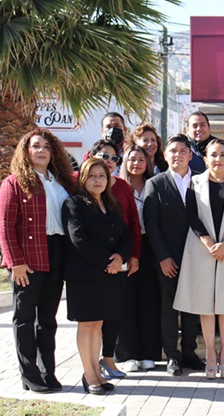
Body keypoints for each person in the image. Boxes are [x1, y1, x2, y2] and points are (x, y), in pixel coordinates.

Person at [0, 129, 76, 393]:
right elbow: (5, 227)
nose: (41, 150)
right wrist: (15, 262)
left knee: (48, 320)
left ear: (53, 152)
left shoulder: (62, 182)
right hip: (28, 258)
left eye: (46, 146)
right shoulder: (14, 182)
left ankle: (48, 372)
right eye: (35, 146)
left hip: (56, 252)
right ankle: (29, 375)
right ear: (26, 151)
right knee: (24, 318)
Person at [173, 139, 224, 379]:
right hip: (201, 249)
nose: (218, 159)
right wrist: (210, 244)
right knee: (205, 304)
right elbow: (192, 216)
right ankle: (209, 352)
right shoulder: (195, 183)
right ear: (205, 159)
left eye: (223, 155)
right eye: (213, 155)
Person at [62, 157, 132, 395]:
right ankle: (89, 374)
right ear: (83, 178)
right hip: (84, 276)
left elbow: (124, 235)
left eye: (102, 176)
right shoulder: (74, 204)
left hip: (109, 275)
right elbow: (78, 239)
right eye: (92, 176)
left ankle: (96, 372)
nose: (98, 180)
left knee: (98, 324)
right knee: (87, 324)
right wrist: (106, 262)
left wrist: (120, 257)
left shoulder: (112, 204)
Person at [143, 133, 205, 376]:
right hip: (168, 259)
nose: (178, 155)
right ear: (165, 155)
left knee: (192, 307)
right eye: (173, 151)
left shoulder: (203, 181)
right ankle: (172, 355)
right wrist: (162, 257)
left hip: (197, 256)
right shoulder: (155, 183)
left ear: (191, 155)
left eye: (183, 151)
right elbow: (151, 223)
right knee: (169, 307)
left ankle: (189, 352)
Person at [86, 139, 142, 379]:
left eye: (113, 159)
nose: (108, 162)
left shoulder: (121, 186)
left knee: (114, 313)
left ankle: (109, 359)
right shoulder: (78, 184)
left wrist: (133, 256)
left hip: (120, 259)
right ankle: (90, 365)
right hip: (90, 263)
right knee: (92, 319)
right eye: (104, 156)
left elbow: (132, 223)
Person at [117, 146, 162, 372]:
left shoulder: (155, 184)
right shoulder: (117, 186)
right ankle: (128, 353)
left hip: (151, 246)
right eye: (132, 159)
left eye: (141, 159)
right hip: (126, 247)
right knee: (126, 300)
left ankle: (149, 352)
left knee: (150, 300)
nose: (136, 163)